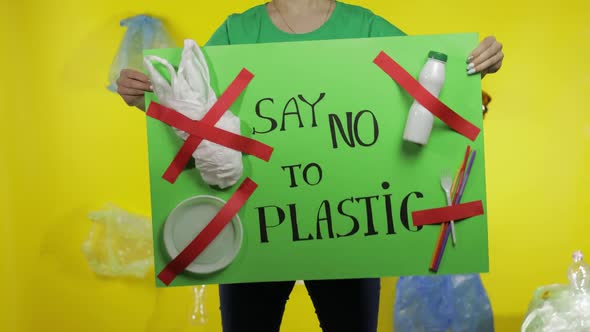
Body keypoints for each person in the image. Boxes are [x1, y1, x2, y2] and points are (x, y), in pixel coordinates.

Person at [116, 1, 503, 331]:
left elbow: (435, 82)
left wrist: (479, 62)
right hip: (251, 230)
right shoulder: (237, 31)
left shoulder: (366, 26)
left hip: (350, 228)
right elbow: (191, 102)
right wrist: (144, 96)